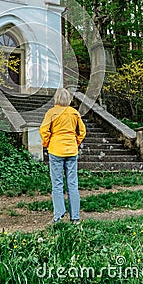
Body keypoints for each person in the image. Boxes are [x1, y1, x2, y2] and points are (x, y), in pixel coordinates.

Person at [39, 88, 86, 224]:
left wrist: (47, 143)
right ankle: (75, 218)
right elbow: (82, 131)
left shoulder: (51, 112)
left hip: (56, 150)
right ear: (69, 99)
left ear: (56, 99)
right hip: (71, 150)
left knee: (57, 184)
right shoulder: (74, 113)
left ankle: (58, 216)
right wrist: (76, 141)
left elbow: (44, 130)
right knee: (73, 184)